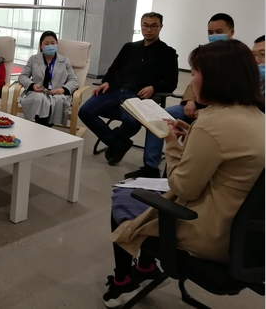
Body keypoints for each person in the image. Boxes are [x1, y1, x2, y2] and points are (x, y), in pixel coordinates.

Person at [103, 39, 264, 308]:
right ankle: (145, 268)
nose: (191, 79)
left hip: (212, 236)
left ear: (215, 77)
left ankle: (123, 281)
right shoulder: (257, 117)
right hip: (248, 239)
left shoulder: (211, 124)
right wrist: (191, 137)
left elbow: (181, 187)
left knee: (125, 195)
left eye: (195, 72)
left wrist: (171, 143)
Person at [125, 13, 235, 179]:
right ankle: (151, 166)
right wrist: (190, 101)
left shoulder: (237, 59)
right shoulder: (205, 54)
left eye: (219, 32)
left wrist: (209, 112)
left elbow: (236, 95)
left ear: (231, 32)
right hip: (194, 105)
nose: (214, 36)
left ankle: (179, 171)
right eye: (210, 32)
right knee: (159, 119)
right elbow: (193, 83)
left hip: (218, 113)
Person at [78, 13, 178, 165]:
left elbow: (172, 82)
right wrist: (106, 81)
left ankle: (116, 143)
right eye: (145, 25)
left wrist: (154, 87)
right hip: (115, 90)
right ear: (141, 26)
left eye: (153, 26)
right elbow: (114, 68)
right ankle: (118, 143)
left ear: (160, 27)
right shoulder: (130, 47)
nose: (149, 29)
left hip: (137, 95)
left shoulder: (167, 52)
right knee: (85, 111)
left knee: (132, 122)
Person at [18, 31, 79, 127]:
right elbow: (23, 76)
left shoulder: (64, 61)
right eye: (46, 44)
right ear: (41, 46)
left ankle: (41, 129)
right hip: (38, 92)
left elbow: (73, 80)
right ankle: (44, 129)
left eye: (53, 43)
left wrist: (63, 89)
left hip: (58, 93)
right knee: (40, 99)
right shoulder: (33, 59)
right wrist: (32, 85)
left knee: (53, 101)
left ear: (57, 44)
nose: (50, 46)